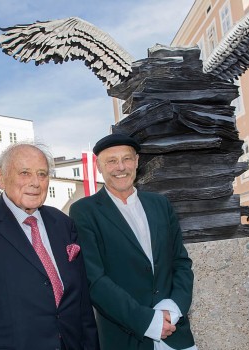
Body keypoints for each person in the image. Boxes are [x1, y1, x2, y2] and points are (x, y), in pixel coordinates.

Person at [0, 142, 98, 350]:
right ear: (1, 178)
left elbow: (81, 304)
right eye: (25, 173)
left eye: (42, 174)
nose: (35, 182)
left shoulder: (63, 223)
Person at [70, 134, 196, 350]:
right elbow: (95, 280)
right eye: (111, 161)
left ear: (137, 161)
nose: (121, 167)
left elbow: (181, 263)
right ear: (99, 166)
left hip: (175, 334)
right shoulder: (84, 211)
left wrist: (173, 308)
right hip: (125, 337)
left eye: (127, 159)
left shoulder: (160, 204)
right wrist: (147, 321)